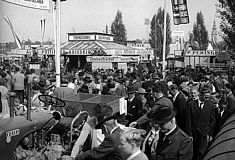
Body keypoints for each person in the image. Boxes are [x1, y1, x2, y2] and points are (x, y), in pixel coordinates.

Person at [185, 87, 216, 160]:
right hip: (193, 134)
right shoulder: (191, 104)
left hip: (203, 135)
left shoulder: (210, 105)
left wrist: (207, 131)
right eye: (206, 97)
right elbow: (188, 121)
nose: (207, 99)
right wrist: (189, 134)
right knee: (192, 154)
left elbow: (212, 121)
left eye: (209, 97)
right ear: (200, 95)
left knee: (201, 154)